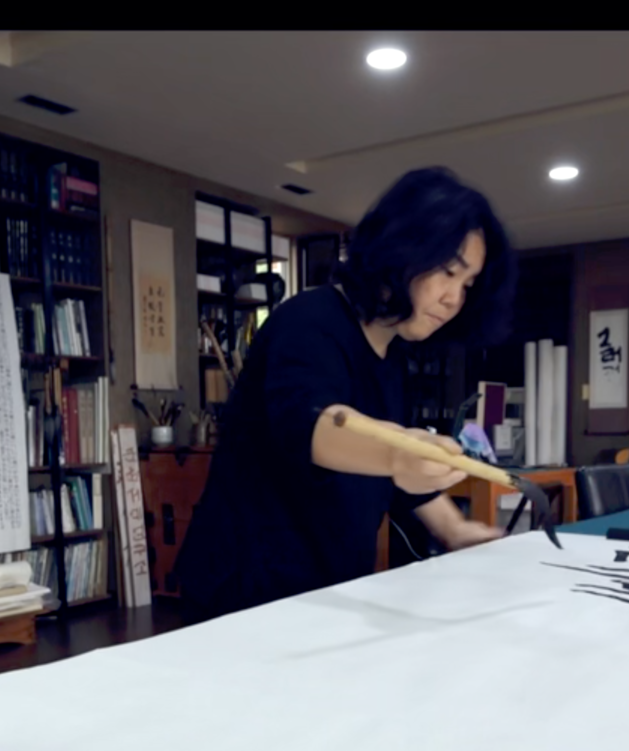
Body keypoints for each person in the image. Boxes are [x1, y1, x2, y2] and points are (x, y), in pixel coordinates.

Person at [175, 167, 518, 624]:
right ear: (401, 249)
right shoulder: (309, 321)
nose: (454, 299)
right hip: (246, 589)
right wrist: (399, 452)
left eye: (467, 285)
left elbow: (394, 477)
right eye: (447, 272)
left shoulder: (393, 357)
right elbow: (313, 425)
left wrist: (454, 528)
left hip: (326, 589)